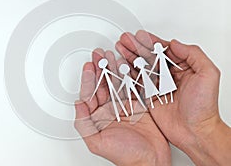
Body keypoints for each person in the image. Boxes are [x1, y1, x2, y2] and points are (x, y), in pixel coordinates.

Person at [74, 30, 231, 166]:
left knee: (153, 90)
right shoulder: (148, 65)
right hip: (146, 82)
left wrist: (148, 162)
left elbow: (165, 64)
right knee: (128, 95)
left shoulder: (158, 60)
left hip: (153, 80)